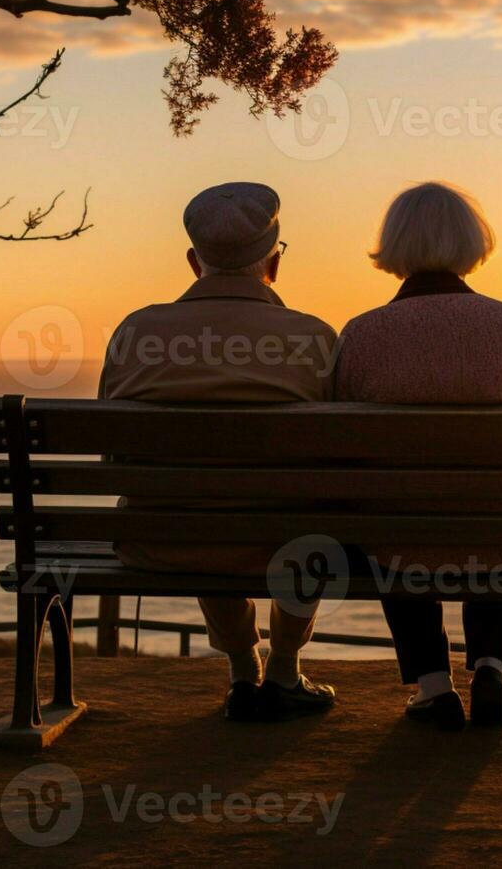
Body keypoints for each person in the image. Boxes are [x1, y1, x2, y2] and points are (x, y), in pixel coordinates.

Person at [99, 181, 338, 722]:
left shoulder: (135, 333)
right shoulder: (315, 340)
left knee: (200, 504)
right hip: (283, 548)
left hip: (163, 542)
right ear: (273, 262)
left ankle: (241, 669)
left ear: (192, 261)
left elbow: (112, 462)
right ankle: (281, 668)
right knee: (305, 520)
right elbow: (340, 471)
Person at [332, 181, 502, 731]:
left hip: (399, 544)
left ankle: (433, 687)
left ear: (395, 244)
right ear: (470, 242)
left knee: (388, 527)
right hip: (501, 539)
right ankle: (489, 666)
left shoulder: (360, 335)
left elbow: (340, 453)